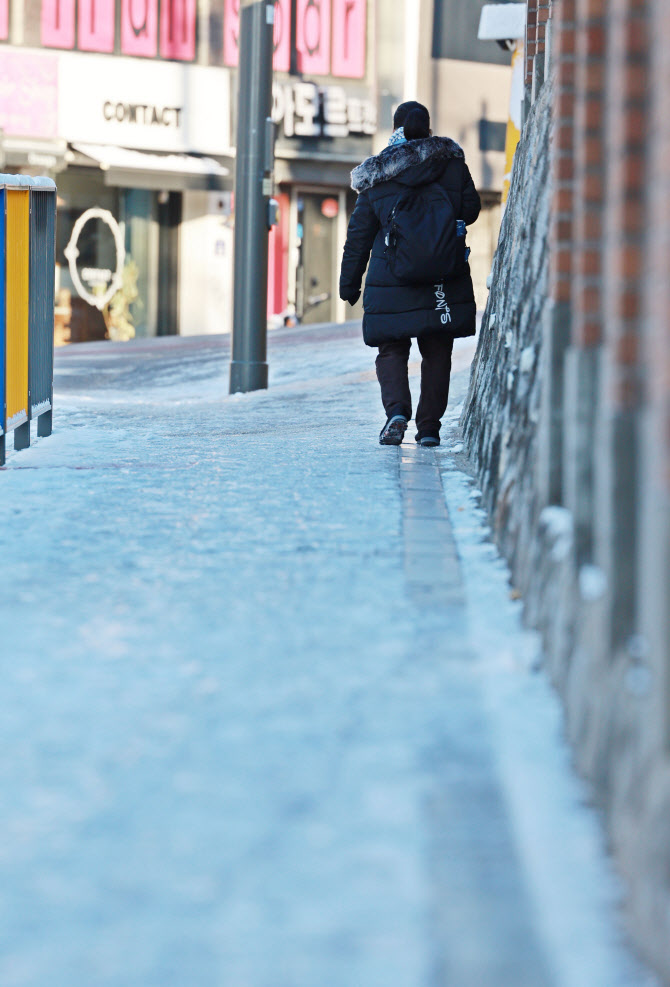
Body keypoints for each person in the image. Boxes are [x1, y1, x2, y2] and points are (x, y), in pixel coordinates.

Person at [339, 101, 481, 447]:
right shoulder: (451, 164)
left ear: (395, 128)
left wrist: (349, 283)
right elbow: (471, 210)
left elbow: (358, 235)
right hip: (442, 275)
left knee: (391, 348)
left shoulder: (377, 174)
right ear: (429, 128)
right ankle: (429, 428)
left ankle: (397, 412)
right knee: (437, 352)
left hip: (391, 277)